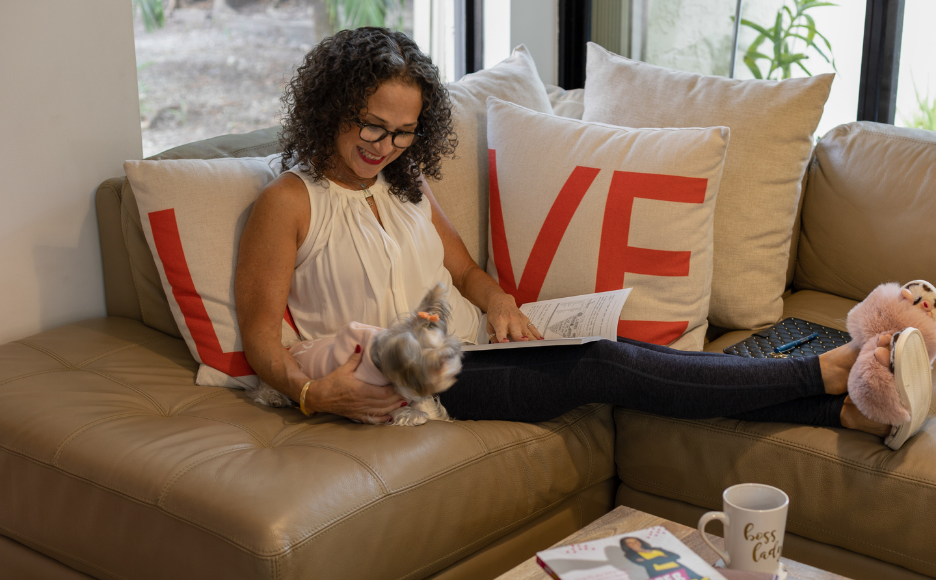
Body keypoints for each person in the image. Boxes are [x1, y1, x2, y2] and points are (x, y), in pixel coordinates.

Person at [234, 27, 901, 443]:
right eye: (373, 126)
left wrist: (500, 305)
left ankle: (834, 413)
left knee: (612, 361)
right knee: (604, 364)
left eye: (405, 131)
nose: (387, 146)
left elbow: (466, 273)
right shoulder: (289, 203)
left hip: (470, 346)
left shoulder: (406, 185)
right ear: (331, 109)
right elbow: (263, 338)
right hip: (414, 380)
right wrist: (313, 394)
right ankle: (824, 372)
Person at [620, 537, 708, 580]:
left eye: (636, 541)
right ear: (626, 546)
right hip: (662, 575)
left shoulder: (656, 549)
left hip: (681, 569)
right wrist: (662, 557)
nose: (635, 543)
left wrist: (654, 560)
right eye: (630, 542)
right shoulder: (630, 555)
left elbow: (676, 556)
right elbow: (645, 564)